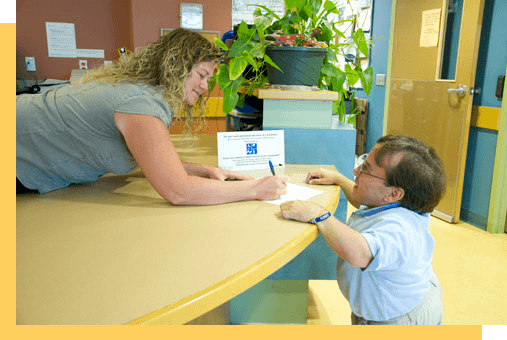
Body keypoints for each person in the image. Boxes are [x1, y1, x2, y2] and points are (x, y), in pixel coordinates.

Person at [16, 28, 287, 204]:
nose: (206, 86)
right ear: (176, 68)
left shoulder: (139, 89)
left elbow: (147, 158)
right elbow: (178, 191)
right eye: (202, 75)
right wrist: (256, 189)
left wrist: (199, 170)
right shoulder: (142, 103)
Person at [280, 134, 447, 325]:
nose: (355, 170)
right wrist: (340, 180)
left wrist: (319, 215)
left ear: (394, 193)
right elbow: (364, 199)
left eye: (366, 170)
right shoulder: (396, 202)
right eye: (363, 161)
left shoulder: (401, 229)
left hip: (399, 318)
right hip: (388, 303)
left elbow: (360, 253)